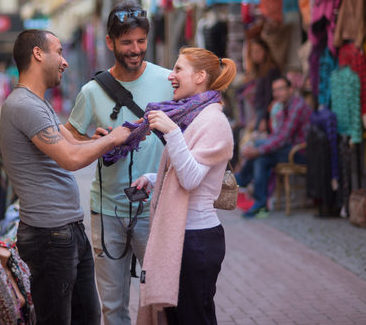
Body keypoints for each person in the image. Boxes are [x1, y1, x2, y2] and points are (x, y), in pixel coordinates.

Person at [0, 29, 134, 325]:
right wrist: (112, 141)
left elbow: (73, 144)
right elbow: (71, 159)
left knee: (87, 316)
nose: (65, 61)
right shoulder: (24, 105)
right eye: (58, 51)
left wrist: (99, 139)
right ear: (38, 54)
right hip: (50, 236)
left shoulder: (38, 103)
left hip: (66, 231)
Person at [65, 2, 172, 325]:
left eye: (141, 41)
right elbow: (69, 136)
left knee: (162, 302)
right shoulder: (92, 91)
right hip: (107, 210)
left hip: (155, 209)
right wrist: (97, 141)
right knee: (112, 307)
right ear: (110, 42)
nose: (135, 49)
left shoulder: (169, 81)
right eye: (126, 42)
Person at [130, 47, 237, 325]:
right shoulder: (193, 116)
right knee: (179, 317)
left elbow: (190, 179)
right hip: (180, 236)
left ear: (200, 76)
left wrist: (172, 132)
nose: (171, 76)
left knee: (194, 317)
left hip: (197, 240)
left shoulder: (213, 121)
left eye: (178, 69)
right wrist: (153, 179)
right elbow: (186, 171)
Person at [236, 75, 311, 218]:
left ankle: (243, 178)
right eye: (275, 90)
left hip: (300, 152)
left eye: (281, 89)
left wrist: (257, 150)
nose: (277, 94)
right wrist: (257, 149)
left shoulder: (297, 106)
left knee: (260, 152)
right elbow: (277, 135)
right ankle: (260, 204)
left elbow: (283, 138)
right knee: (261, 158)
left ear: (290, 89)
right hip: (287, 149)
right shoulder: (284, 106)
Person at [238, 37, 281, 131]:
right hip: (258, 111)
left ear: (265, 51)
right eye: (252, 52)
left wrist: (264, 119)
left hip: (265, 112)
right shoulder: (260, 70)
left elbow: (269, 96)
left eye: (258, 51)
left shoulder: (271, 69)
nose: (255, 55)